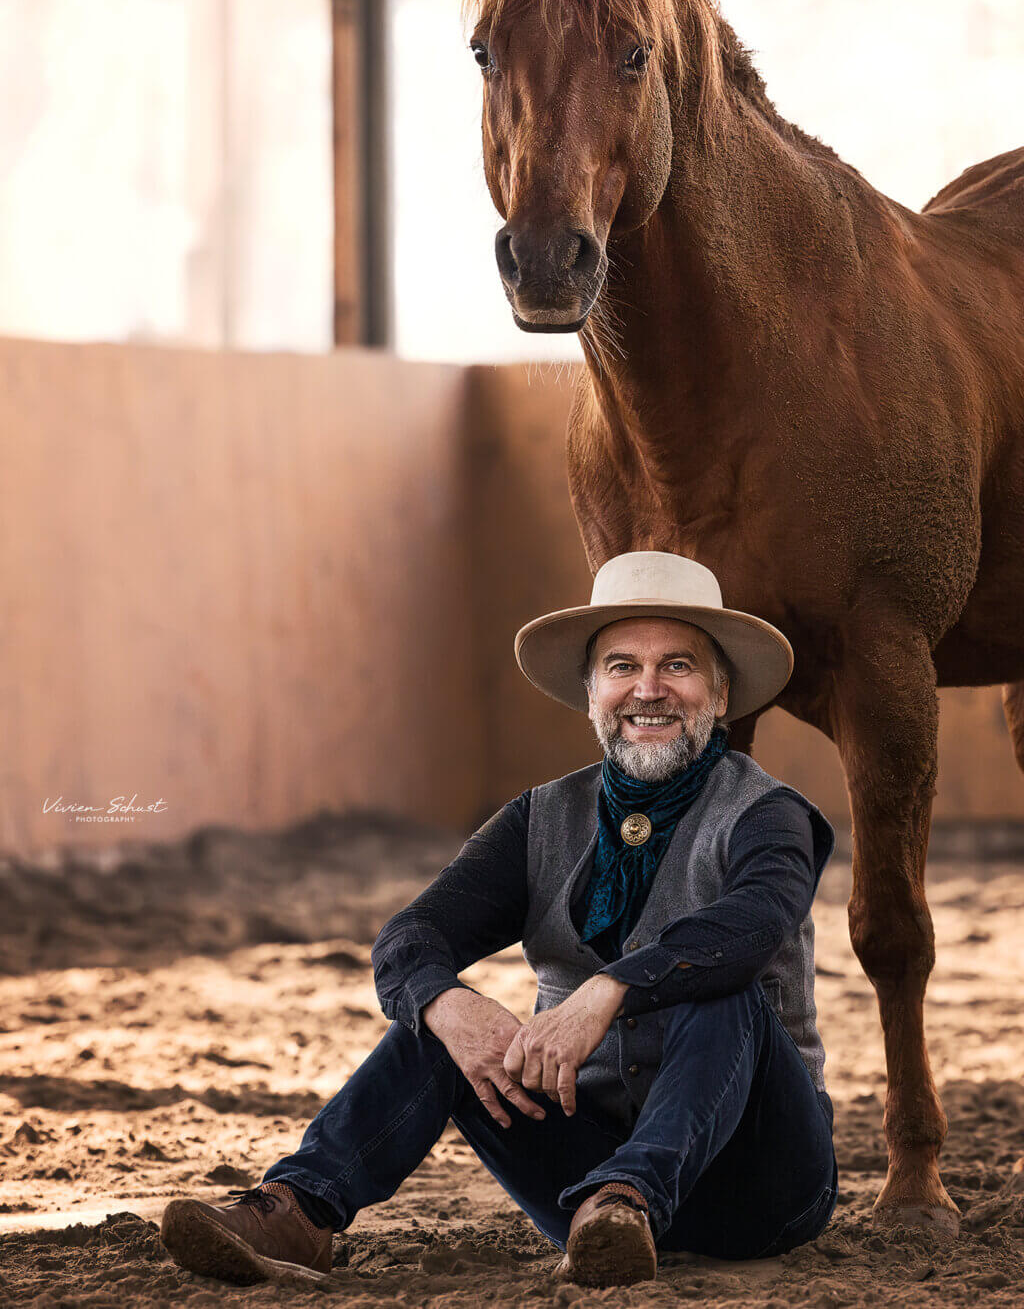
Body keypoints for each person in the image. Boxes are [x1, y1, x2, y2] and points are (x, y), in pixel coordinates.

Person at [160, 551, 838, 1287]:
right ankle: (300, 1210)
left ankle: (632, 1191)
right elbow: (409, 938)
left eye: (678, 665)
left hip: (762, 1180)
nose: (648, 689)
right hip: (587, 1204)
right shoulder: (540, 815)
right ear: (590, 692)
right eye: (621, 666)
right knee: (444, 1020)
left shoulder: (768, 813)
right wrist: (453, 1007)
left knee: (721, 986)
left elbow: (754, 923)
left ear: (721, 691)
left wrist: (606, 990)